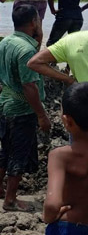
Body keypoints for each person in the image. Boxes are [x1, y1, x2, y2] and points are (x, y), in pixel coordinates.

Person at [0, 4, 51, 212]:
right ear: (34, 22)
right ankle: (10, 200)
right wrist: (42, 115)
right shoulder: (26, 50)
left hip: (4, 102)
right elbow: (29, 86)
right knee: (19, 153)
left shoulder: (5, 42)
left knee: (5, 148)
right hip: (21, 108)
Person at [43, 82, 88, 234]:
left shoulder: (60, 156)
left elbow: (52, 205)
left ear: (67, 121)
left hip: (69, 226)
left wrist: (49, 217)